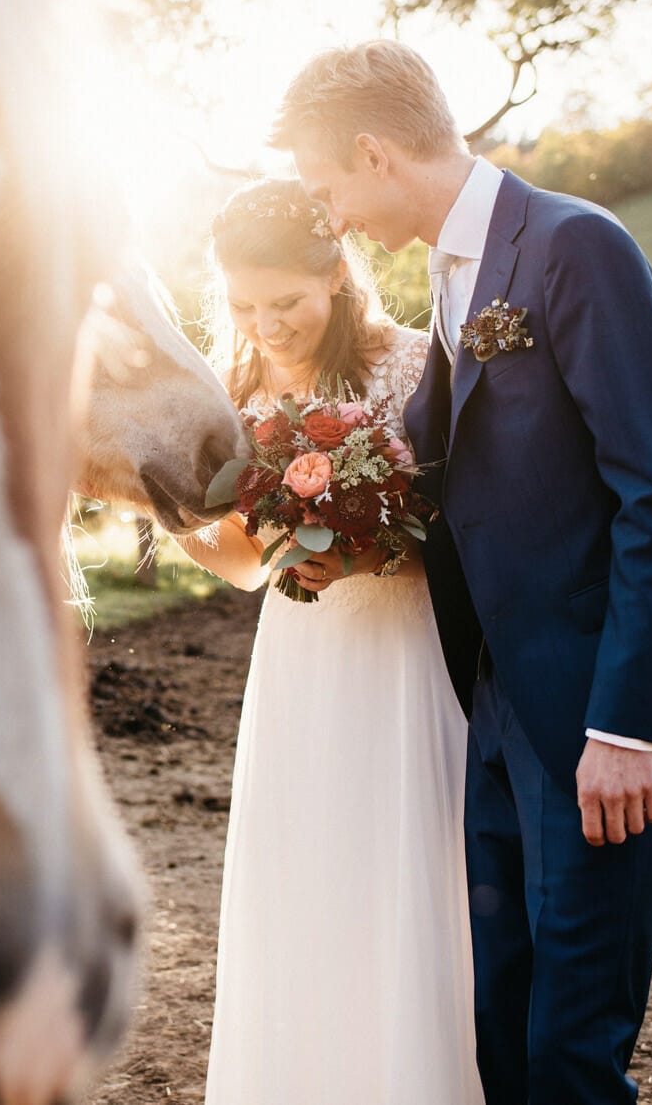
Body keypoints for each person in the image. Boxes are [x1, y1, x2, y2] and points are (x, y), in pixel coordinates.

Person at [272, 39, 652, 1104]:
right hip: (497, 704)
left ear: (373, 152)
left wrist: (627, 728)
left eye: (326, 187)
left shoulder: (577, 249)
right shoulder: (450, 272)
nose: (330, 215)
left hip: (595, 710)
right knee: (501, 1022)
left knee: (572, 1042)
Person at [179, 177, 485, 1104]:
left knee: (401, 874)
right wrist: (202, 518)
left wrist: (363, 551)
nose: (265, 325)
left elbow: (471, 532)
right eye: (242, 306)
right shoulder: (231, 385)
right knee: (303, 877)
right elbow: (237, 564)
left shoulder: (411, 366)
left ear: (337, 279)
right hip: (302, 660)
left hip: (406, 653)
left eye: (287, 303)